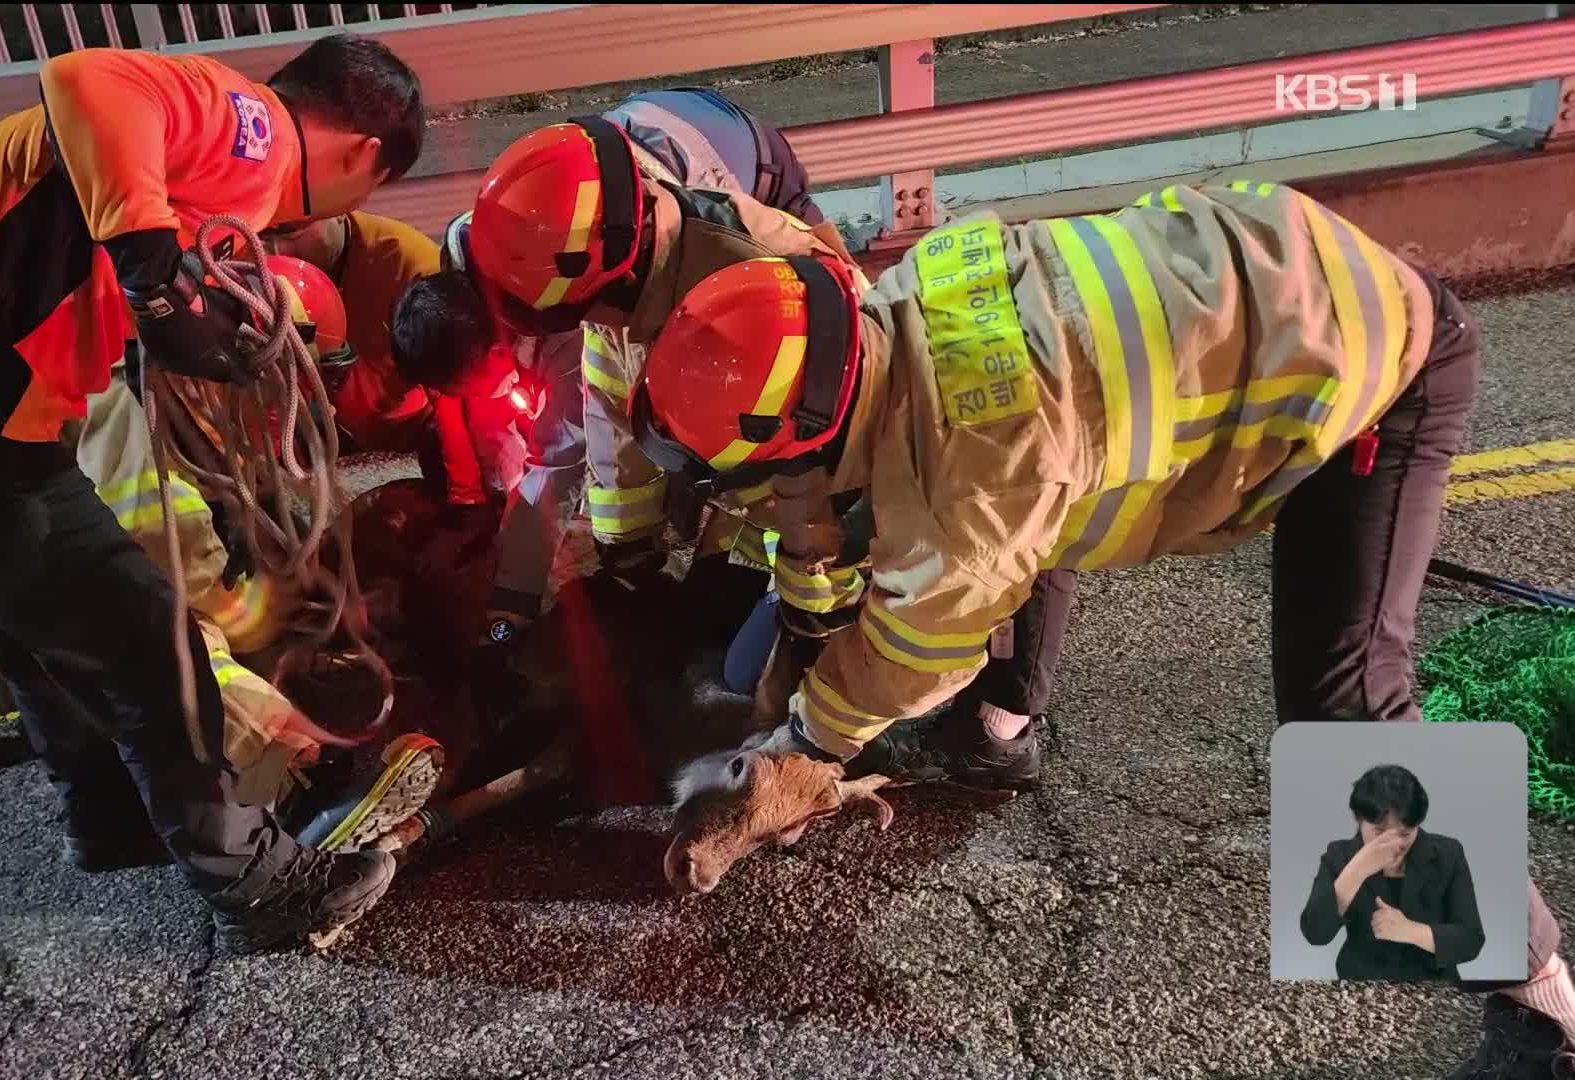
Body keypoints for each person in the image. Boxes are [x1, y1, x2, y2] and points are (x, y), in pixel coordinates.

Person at [633, 180, 1575, 1074]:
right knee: (1050, 514)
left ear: (805, 439)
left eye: (751, 482)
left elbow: (920, 644)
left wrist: (805, 747)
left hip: (1377, 365)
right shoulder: (909, 294)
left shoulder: (973, 495)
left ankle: (1545, 1001)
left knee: (1346, 722)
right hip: (1277, 275)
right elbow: (986, 506)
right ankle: (1001, 731)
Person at [0, 33, 426, 955]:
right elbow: (83, 74)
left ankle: (108, 816)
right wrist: (155, 276)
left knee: (39, 629)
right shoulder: (252, 130)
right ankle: (258, 884)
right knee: (142, 634)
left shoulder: (207, 171)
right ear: (366, 154)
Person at [403, 98, 864, 693]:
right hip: (652, 164)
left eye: (499, 379)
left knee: (729, 606)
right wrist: (616, 550)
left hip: (742, 159)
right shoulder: (526, 259)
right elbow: (607, 422)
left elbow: (570, 451)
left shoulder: (713, 285)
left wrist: (800, 595)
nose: (509, 392)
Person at [1300, 764, 1486, 981]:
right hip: (1361, 983)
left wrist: (1410, 931)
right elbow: (1315, 933)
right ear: (1357, 819)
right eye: (1379, 832)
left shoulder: (1448, 853)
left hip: (1433, 983)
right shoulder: (1339, 855)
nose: (1393, 844)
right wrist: (1358, 869)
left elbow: (1471, 940)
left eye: (1405, 833)